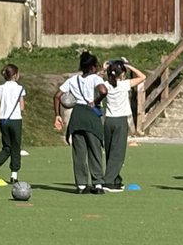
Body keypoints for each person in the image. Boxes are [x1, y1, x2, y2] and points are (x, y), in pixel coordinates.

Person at [54, 51, 106, 194]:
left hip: (77, 116)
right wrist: (95, 101)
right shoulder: (95, 78)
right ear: (93, 67)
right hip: (91, 115)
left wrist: (57, 115)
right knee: (95, 150)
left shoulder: (73, 80)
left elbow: (57, 96)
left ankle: (81, 185)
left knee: (79, 152)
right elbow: (103, 91)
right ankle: (98, 184)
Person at [101, 56, 146, 192]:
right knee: (118, 153)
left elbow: (96, 78)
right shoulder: (123, 84)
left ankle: (116, 179)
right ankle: (108, 181)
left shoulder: (106, 84)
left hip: (108, 120)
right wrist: (129, 65)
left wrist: (104, 69)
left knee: (110, 151)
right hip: (120, 121)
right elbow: (142, 77)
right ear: (122, 74)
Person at [0, 63, 26, 186]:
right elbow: (22, 107)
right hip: (15, 120)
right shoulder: (19, 88)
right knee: (16, 147)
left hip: (3, 120)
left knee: (7, 147)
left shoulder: (0, 88)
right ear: (15, 75)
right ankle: (14, 174)